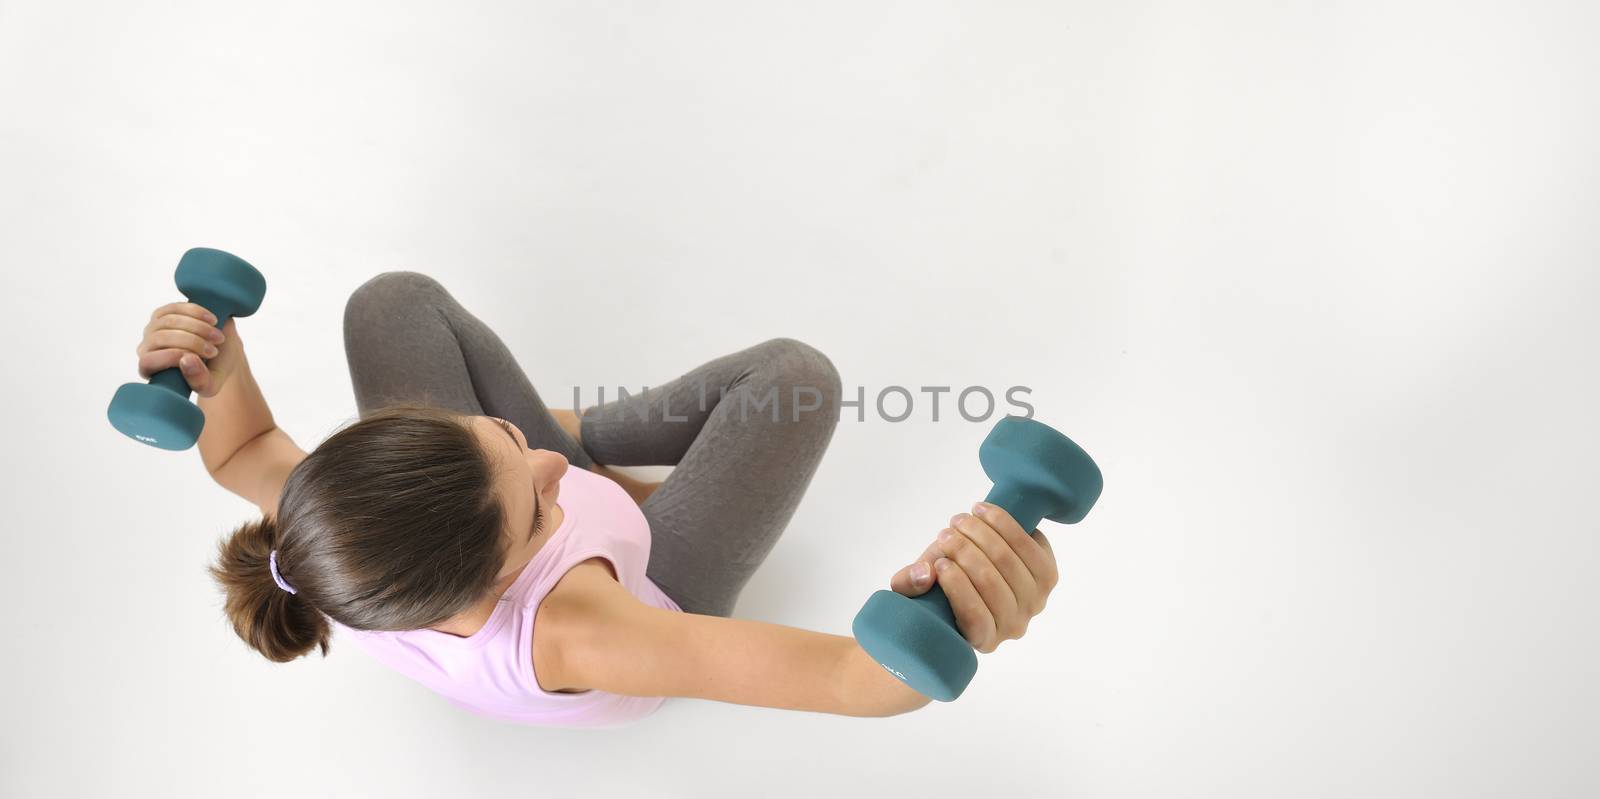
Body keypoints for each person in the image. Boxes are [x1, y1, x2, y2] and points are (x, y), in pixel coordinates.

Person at [132, 271, 1060, 727]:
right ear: (501, 580)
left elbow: (245, 447)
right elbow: (853, 678)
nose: (546, 469)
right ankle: (600, 471)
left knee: (390, 303)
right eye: (539, 510)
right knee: (798, 380)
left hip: (470, 528)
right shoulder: (582, 628)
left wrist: (208, 354)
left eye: (485, 437)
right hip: (655, 578)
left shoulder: (331, 535)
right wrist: (969, 602)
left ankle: (565, 448)